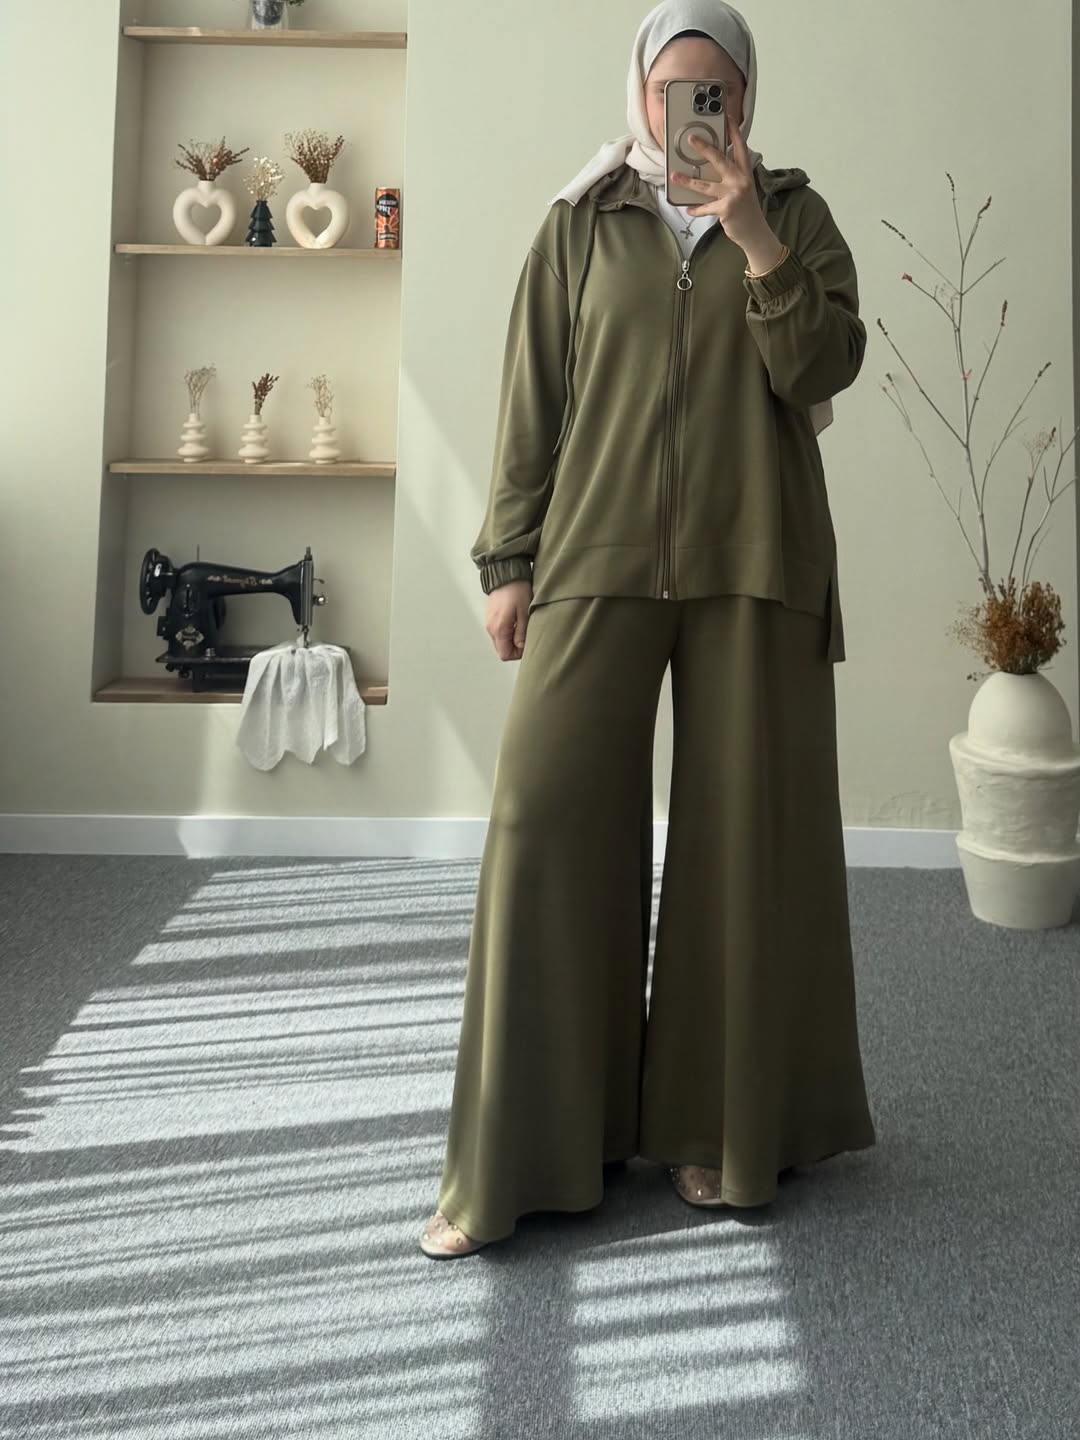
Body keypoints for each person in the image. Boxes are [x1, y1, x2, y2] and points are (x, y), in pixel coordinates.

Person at [420, 0, 877, 1259]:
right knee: (542, 822)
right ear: (637, 94)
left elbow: (825, 367)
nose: (694, 110)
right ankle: (520, 1158)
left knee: (744, 851)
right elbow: (533, 402)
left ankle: (712, 1133)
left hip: (756, 563)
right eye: (674, 87)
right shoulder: (580, 223)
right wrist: (509, 559)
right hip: (596, 557)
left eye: (715, 90)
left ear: (746, 102)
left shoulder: (796, 215)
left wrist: (752, 232)